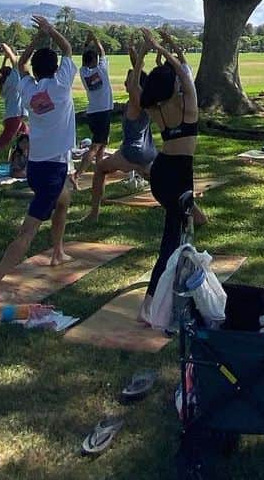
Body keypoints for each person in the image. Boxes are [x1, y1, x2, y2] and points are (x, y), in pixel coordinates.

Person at [0, 14, 77, 299]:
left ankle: (57, 251)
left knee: (64, 201)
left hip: (37, 167)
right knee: (27, 233)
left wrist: (35, 40)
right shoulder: (61, 86)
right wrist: (50, 30)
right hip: (53, 170)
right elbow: (67, 49)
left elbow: (20, 65)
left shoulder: (29, 89)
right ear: (56, 70)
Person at [137, 30, 200, 324]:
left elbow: (177, 70)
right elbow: (184, 71)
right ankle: (148, 306)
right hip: (178, 177)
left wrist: (157, 51)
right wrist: (163, 47)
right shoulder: (188, 105)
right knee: (171, 243)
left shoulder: (155, 108)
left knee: (185, 230)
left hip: (161, 173)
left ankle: (178, 292)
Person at [80, 35, 157, 224]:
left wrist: (143, 52)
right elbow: (139, 76)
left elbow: (137, 77)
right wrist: (133, 51)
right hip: (149, 153)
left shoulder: (134, 100)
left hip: (131, 153)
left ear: (134, 85)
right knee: (157, 180)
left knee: (100, 169)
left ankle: (94, 213)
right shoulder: (148, 100)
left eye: (129, 79)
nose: (126, 80)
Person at [73, 30, 114, 186]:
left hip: (93, 112)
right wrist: (94, 39)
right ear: (95, 60)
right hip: (103, 112)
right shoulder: (102, 70)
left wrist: (86, 44)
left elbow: (87, 58)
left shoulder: (83, 73)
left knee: (102, 143)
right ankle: (78, 174)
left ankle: (99, 171)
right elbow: (102, 51)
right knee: (96, 145)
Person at [0, 42, 29, 157]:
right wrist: (6, 48)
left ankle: (23, 155)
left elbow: (2, 71)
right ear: (10, 74)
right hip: (15, 116)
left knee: (26, 135)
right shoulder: (13, 80)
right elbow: (16, 63)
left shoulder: (3, 84)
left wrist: (4, 59)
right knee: (3, 142)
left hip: (12, 116)